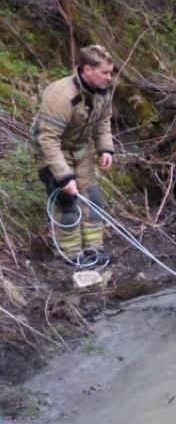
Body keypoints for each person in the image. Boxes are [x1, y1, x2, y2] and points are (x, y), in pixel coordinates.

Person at [30, 44, 116, 267]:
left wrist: (105, 148)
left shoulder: (102, 91)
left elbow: (103, 121)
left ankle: (93, 248)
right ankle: (69, 252)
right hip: (54, 150)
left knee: (93, 197)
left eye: (110, 72)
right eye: (105, 72)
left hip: (80, 149)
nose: (109, 77)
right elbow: (47, 140)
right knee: (67, 201)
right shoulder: (62, 96)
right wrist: (64, 176)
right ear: (87, 70)